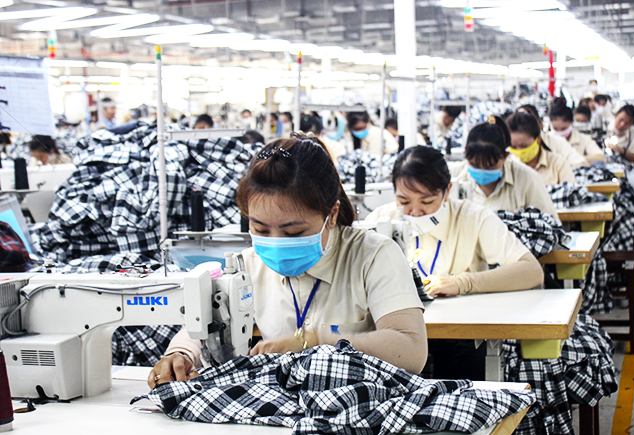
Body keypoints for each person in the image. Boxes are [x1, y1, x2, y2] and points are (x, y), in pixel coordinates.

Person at [149, 134, 428, 387]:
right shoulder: (246, 267)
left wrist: (316, 342)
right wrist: (180, 354)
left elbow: (412, 350)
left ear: (331, 215)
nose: (276, 242)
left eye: (293, 232)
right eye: (260, 229)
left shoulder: (374, 255)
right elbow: (201, 328)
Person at [367, 144, 543, 380]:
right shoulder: (381, 220)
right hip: (400, 332)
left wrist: (464, 282)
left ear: (447, 191)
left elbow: (531, 271)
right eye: (404, 201)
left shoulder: (473, 217)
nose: (416, 211)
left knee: (460, 363)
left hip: (459, 338)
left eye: (427, 201)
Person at [448, 116, 560, 222]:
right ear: (465, 153)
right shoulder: (450, 176)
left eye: (490, 166)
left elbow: (551, 228)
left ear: (505, 156)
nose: (482, 170)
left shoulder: (528, 180)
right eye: (475, 165)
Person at [506, 111, 576, 185]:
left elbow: (571, 192)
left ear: (538, 140)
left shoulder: (558, 164)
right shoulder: (507, 168)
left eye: (524, 146)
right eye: (513, 147)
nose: (519, 150)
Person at [517, 104, 588, 169]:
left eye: (529, 125)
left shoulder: (558, 143)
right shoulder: (511, 151)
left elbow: (579, 162)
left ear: (541, 124)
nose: (525, 130)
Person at [549, 98, 605, 164]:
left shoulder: (583, 140)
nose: (560, 132)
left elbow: (601, 157)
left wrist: (577, 160)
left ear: (571, 122)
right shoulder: (546, 140)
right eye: (555, 129)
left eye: (563, 128)